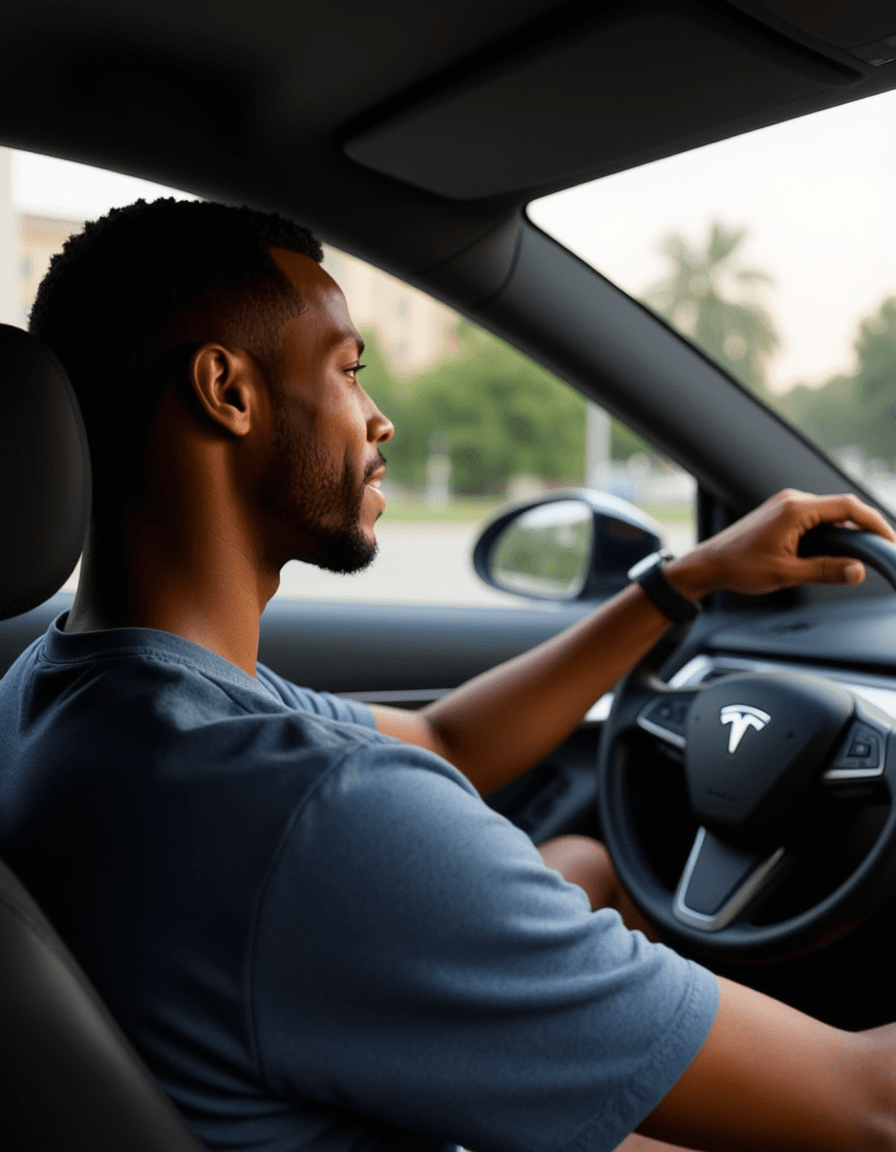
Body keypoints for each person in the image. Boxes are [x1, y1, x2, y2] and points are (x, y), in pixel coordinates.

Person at [2, 197, 896, 1152]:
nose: (380, 419)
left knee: (587, 863)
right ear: (229, 391)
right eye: (348, 370)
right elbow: (866, 1106)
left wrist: (687, 581)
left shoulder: (65, 692)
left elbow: (447, 741)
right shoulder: (312, 810)